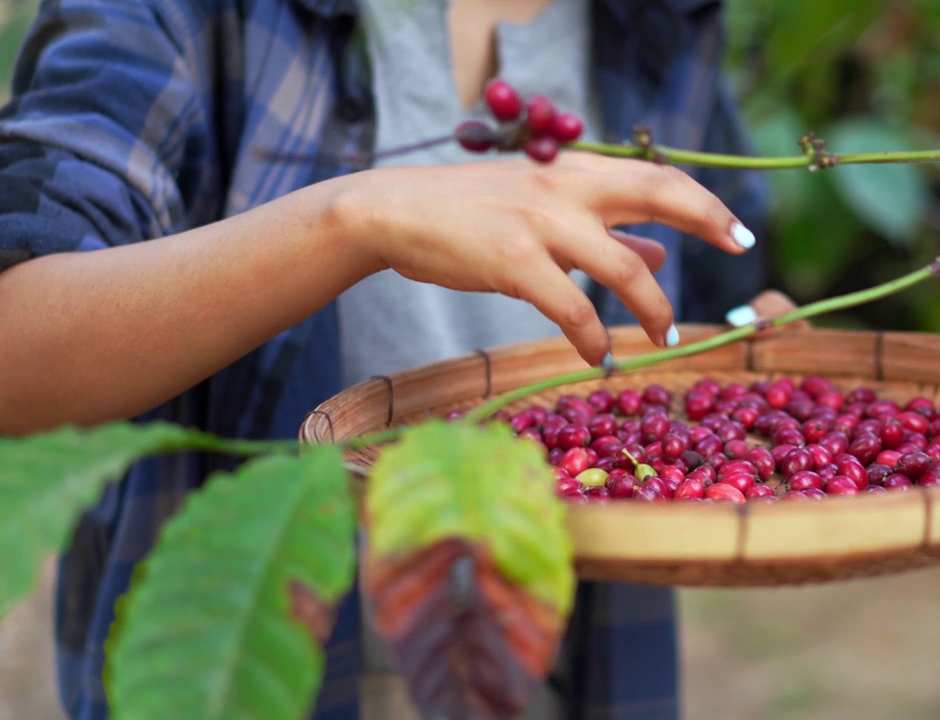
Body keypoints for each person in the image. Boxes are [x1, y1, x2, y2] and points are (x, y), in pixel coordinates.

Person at [0, 0, 770, 718]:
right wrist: (357, 220)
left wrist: (746, 333)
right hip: (258, 648)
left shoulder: (662, 16)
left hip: (570, 660)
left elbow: (701, 289)